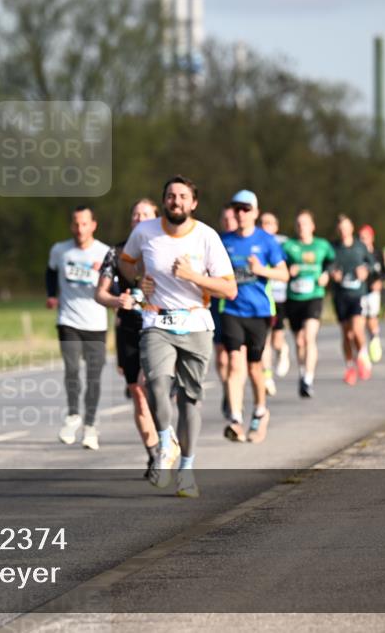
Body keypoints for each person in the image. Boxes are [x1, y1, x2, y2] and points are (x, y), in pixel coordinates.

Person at [120, 176, 236, 497]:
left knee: (190, 401)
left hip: (196, 323)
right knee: (155, 382)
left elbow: (229, 287)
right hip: (156, 320)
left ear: (193, 203)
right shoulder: (145, 232)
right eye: (170, 196)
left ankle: (186, 468)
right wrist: (139, 279)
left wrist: (192, 276)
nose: (176, 201)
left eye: (182, 197)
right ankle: (165, 439)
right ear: (164, 201)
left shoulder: (207, 237)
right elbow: (125, 261)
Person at [95, 198, 160, 476]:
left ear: (156, 218)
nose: (139, 218)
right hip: (130, 329)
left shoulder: (166, 250)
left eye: (145, 214)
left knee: (155, 391)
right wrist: (116, 301)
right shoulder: (116, 253)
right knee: (138, 392)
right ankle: (154, 454)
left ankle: (169, 440)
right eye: (135, 215)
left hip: (161, 327)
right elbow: (100, 293)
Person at [218, 191, 287, 443]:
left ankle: (260, 411)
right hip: (231, 309)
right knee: (235, 363)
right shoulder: (224, 241)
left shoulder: (267, 241)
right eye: (237, 209)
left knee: (255, 368)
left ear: (256, 212)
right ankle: (235, 419)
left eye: (246, 209)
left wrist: (261, 270)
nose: (241, 213)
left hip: (259, 311)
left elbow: (285, 274)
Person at [47, 206, 109, 450]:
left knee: (93, 377)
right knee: (72, 369)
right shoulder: (60, 250)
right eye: (76, 224)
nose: (80, 229)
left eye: (84, 224)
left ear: (93, 225)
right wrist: (52, 295)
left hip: (96, 323)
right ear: (71, 225)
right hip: (68, 320)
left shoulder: (104, 252)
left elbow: (115, 286)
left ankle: (91, 426)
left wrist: (102, 274)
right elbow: (50, 272)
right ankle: (73, 415)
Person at [282, 210, 334, 398]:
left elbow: (332, 261)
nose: (301, 227)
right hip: (294, 297)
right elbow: (278, 265)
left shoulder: (322, 245)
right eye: (298, 224)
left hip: (314, 295)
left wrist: (326, 274)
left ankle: (308, 379)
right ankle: (303, 371)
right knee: (299, 341)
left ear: (313, 226)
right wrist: (289, 269)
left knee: (309, 337)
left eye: (305, 224)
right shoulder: (289, 246)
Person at [330, 215, 375, 386]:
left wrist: (365, 270)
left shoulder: (360, 246)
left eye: (346, 227)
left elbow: (372, 264)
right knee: (346, 334)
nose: (343, 231)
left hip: (357, 294)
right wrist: (333, 273)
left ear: (351, 228)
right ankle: (350, 366)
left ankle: (362, 355)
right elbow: (326, 265)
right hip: (340, 294)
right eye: (340, 228)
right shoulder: (333, 247)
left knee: (357, 329)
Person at [257, 211, 291, 396]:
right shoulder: (255, 242)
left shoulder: (283, 243)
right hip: (264, 299)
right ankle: (267, 377)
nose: (265, 226)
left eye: (269, 223)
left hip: (280, 298)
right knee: (265, 341)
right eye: (262, 223)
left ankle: (283, 349)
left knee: (277, 341)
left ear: (276, 226)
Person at [212, 205, 240, 419]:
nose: (229, 221)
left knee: (235, 357)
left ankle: (234, 398)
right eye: (225, 218)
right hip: (217, 304)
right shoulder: (216, 241)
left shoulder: (243, 243)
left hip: (239, 306)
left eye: (232, 218)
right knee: (221, 358)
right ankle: (226, 390)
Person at [357, 224, 385, 363]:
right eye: (360, 237)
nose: (363, 240)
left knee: (372, 319)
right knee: (360, 321)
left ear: (371, 238)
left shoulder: (378, 253)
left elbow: (384, 272)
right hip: (359, 291)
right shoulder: (357, 253)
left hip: (373, 291)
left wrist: (380, 282)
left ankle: (374, 339)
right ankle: (363, 352)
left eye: (365, 237)